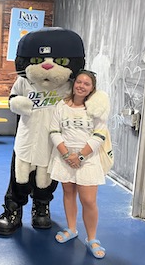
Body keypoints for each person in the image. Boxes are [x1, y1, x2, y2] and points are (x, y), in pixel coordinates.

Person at [49, 69, 108, 259]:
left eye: (87, 84)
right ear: (74, 84)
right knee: (68, 192)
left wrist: (80, 156)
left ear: (92, 89)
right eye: (79, 82)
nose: (81, 86)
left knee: (88, 200)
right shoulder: (61, 106)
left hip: (87, 158)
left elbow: (100, 134)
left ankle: (92, 238)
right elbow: (53, 131)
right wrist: (66, 154)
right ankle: (72, 229)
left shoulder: (95, 109)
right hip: (65, 156)